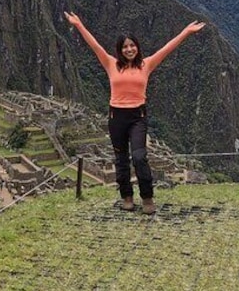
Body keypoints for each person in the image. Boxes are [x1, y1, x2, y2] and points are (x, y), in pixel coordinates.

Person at [64, 11, 206, 214]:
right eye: (125, 47)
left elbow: (167, 49)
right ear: (120, 50)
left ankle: (147, 197)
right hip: (116, 117)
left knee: (139, 157)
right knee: (121, 159)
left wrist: (186, 31)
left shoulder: (145, 65)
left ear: (137, 48)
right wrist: (78, 24)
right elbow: (94, 45)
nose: (129, 49)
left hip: (137, 117)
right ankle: (127, 197)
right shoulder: (110, 64)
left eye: (132, 45)